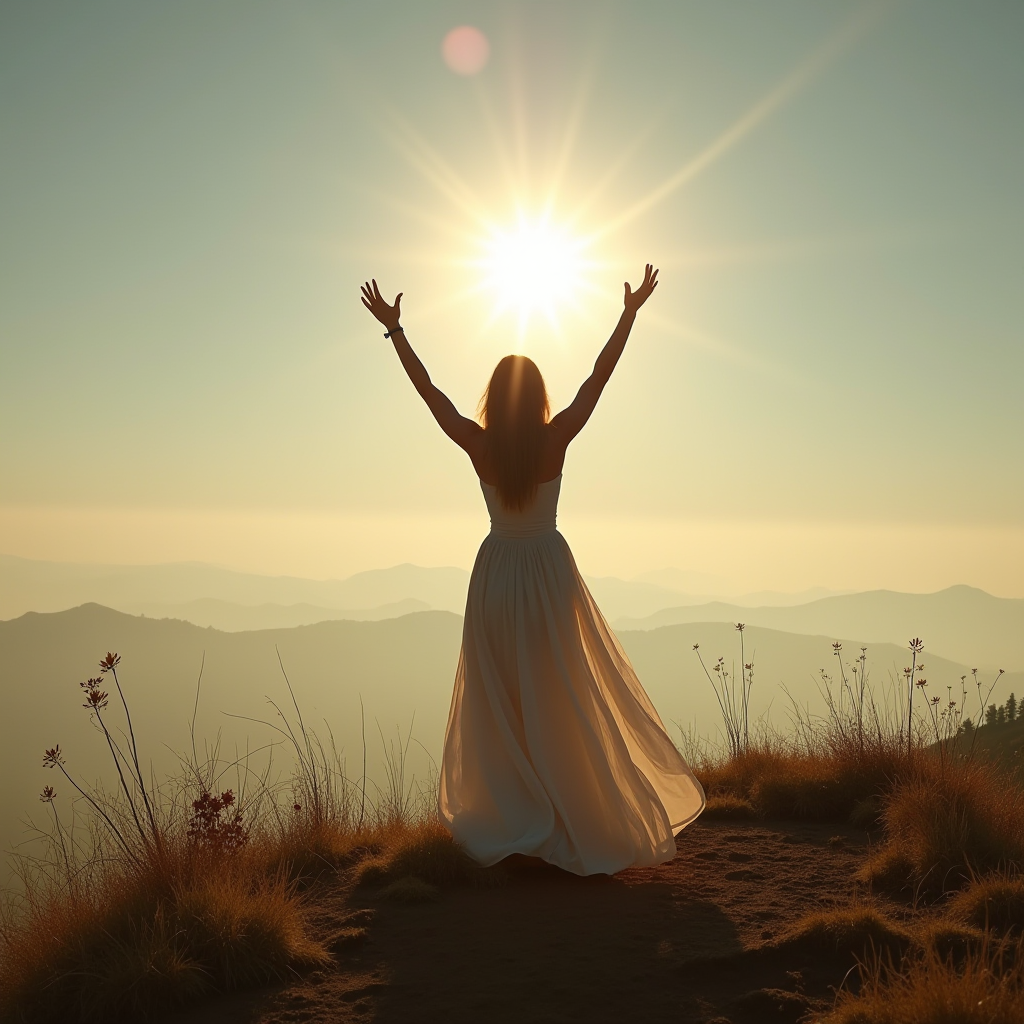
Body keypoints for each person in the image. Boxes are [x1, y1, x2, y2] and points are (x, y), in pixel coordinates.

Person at [360, 266, 704, 875]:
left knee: (506, 697)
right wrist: (628, 315)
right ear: (537, 395)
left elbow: (431, 393)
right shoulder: (556, 439)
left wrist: (396, 331)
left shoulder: (478, 444)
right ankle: (570, 812)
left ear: (494, 397)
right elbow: (598, 380)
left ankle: (518, 816)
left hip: (496, 574)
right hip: (547, 570)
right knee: (560, 690)